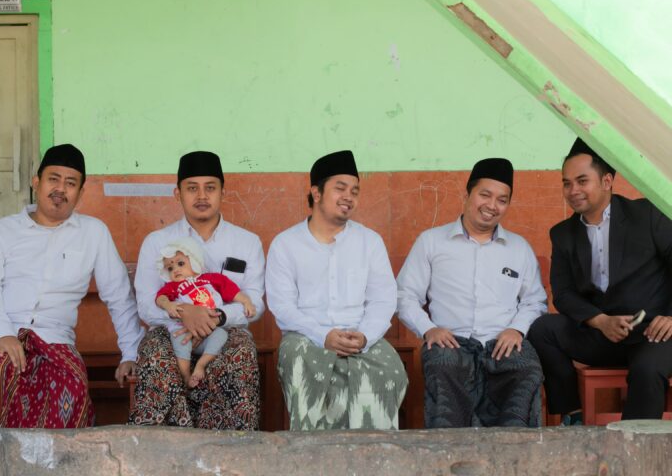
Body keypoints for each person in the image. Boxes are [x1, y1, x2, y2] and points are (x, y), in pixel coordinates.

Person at [0, 144, 144, 428]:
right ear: (36, 182)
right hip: (0, 333)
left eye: (70, 183)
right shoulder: (3, 231)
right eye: (53, 179)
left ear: (80, 193)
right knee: (3, 371)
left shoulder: (93, 233)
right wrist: (4, 334)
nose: (60, 189)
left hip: (55, 339)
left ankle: (61, 457)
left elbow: (119, 296)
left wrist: (130, 353)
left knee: (71, 385)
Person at [528, 139, 672, 423]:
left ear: (607, 181)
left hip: (654, 332)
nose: (573, 190)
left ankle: (633, 442)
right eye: (567, 183)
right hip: (603, 333)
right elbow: (564, 293)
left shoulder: (647, 214)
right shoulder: (563, 234)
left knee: (646, 369)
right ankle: (572, 415)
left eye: (582, 181)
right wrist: (600, 321)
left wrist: (671, 317)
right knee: (542, 329)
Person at [397, 158, 547, 428]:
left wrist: (517, 330)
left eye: (502, 200)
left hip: (502, 341)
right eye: (485, 195)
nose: (492, 205)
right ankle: (452, 449)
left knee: (527, 367)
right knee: (442, 363)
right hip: (452, 342)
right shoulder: (431, 241)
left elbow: (534, 301)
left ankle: (515, 448)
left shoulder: (519, 248)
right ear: (467, 195)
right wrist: (429, 329)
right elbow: (405, 295)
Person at [266, 150, 407, 430]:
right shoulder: (286, 244)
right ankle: (311, 451)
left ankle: (373, 451)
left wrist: (364, 336)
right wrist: (323, 336)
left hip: (360, 334)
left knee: (392, 370)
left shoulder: (369, 241)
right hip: (306, 335)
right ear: (316, 193)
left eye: (354, 191)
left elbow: (383, 299)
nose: (348, 197)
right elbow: (283, 307)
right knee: (298, 363)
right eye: (340, 188)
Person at [130, 150, 265, 429]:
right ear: (177, 194)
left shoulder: (247, 242)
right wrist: (184, 313)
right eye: (192, 188)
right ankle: (162, 448)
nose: (202, 196)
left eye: (210, 188)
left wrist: (214, 316)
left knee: (240, 355)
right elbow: (145, 305)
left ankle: (231, 449)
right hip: (170, 330)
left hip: (226, 330)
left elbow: (255, 303)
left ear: (223, 192)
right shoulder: (157, 242)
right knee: (155, 356)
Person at [155, 236, 256, 388]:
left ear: (194, 260)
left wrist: (246, 301)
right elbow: (160, 298)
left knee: (221, 335)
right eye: (170, 268)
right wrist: (168, 305)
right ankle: (186, 376)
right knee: (180, 340)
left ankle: (200, 365)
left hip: (212, 328)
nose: (175, 270)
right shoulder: (173, 287)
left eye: (180, 263)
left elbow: (232, 291)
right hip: (185, 330)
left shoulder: (211, 279)